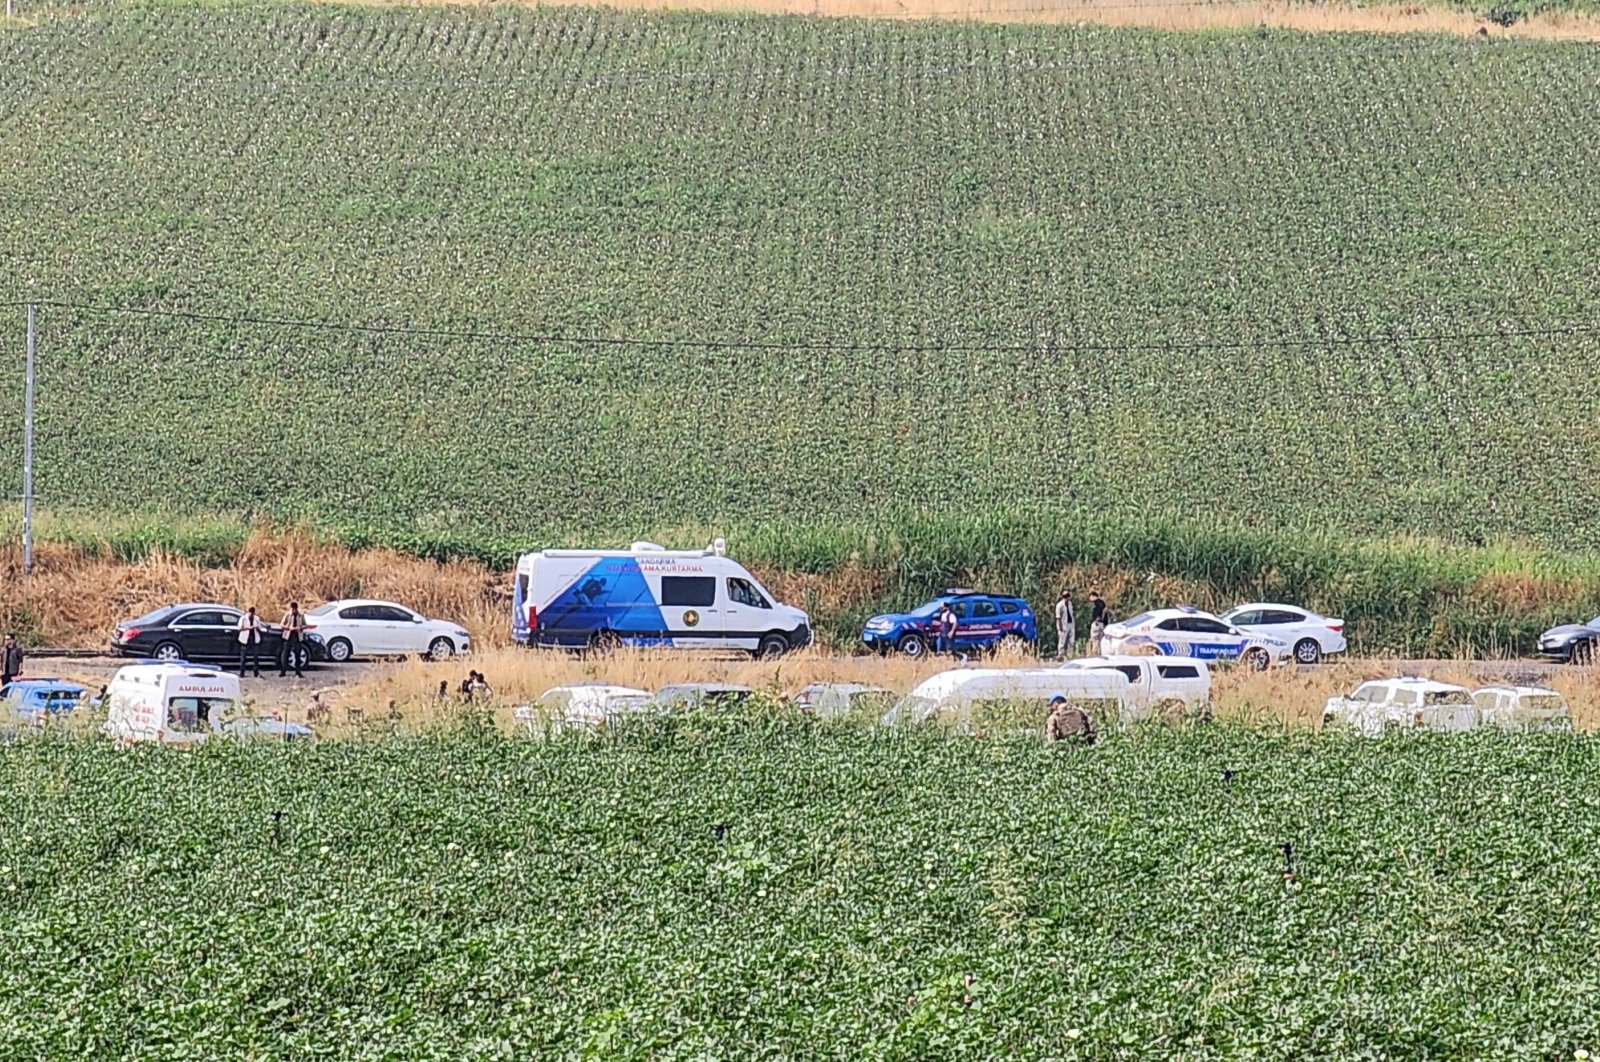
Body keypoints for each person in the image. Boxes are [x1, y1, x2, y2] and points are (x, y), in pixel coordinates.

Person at [278, 601, 308, 679]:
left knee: (298, 654)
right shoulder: (287, 615)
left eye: (295, 609)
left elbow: (305, 625)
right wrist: (288, 627)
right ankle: (283, 671)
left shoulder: (300, 616)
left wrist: (300, 627)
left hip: (297, 637)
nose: (294, 611)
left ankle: (298, 672)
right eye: (292, 609)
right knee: (285, 654)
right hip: (288, 636)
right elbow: (281, 624)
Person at [236, 606, 264, 677]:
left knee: (256, 657)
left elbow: (260, 629)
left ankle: (256, 672)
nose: (251, 615)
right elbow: (239, 628)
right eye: (250, 613)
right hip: (245, 639)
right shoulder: (243, 618)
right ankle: (242, 673)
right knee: (243, 658)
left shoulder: (256, 619)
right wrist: (248, 628)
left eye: (252, 613)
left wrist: (256, 628)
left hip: (254, 639)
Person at [1054, 591, 1076, 660]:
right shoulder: (1059, 605)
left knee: (1071, 641)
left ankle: (1070, 655)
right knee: (1062, 641)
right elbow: (1058, 617)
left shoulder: (1070, 604)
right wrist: (1060, 627)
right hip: (1063, 625)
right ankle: (1060, 655)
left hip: (1070, 624)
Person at [1088, 591, 1108, 657]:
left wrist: (1096, 619)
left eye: (1090, 597)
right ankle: (1100, 654)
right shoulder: (1103, 603)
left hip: (1096, 624)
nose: (1089, 599)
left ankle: (1095, 654)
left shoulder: (1096, 603)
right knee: (1100, 640)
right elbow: (1105, 612)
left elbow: (1098, 612)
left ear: (1093, 596)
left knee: (1095, 639)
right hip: (1102, 624)